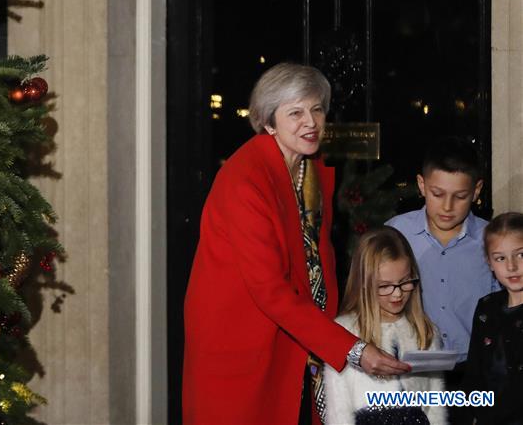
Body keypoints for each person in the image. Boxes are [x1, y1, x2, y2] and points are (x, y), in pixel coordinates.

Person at [183, 63, 410, 425]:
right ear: (268, 122)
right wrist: (351, 349)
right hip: (240, 338)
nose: (311, 122)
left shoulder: (313, 167)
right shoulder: (245, 183)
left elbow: (319, 258)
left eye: (317, 109)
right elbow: (270, 289)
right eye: (296, 112)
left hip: (296, 332)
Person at [385, 137, 499, 397]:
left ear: (477, 190)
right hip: (410, 372)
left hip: (475, 372)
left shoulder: (490, 240)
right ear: (421, 185)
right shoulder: (395, 233)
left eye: (460, 197)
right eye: (438, 194)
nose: (447, 207)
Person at [324, 227, 447, 425]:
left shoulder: (426, 331)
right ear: (364, 284)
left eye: (405, 282)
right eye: (384, 286)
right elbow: (338, 411)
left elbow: (435, 407)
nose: (397, 294)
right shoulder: (344, 333)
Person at [461, 212, 523, 425]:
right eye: (500, 258)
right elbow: (474, 371)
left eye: (521, 255)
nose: (512, 266)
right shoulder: (487, 306)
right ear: (489, 262)